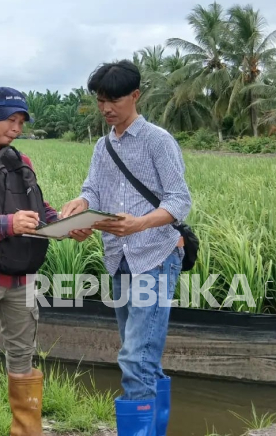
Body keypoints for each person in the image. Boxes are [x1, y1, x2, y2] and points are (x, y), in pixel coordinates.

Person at [0, 86, 90, 436]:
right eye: (11, 120)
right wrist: (7, 224)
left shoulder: (22, 162)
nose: (17, 128)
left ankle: (25, 432)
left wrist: (66, 227)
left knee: (24, 356)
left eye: (22, 121)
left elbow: (39, 211)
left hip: (21, 277)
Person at [60, 60, 192, 436]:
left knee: (136, 356)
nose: (105, 109)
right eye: (100, 101)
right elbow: (93, 190)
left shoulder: (158, 141)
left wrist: (139, 223)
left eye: (113, 100)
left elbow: (179, 200)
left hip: (154, 256)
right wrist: (80, 209)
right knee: (142, 356)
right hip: (118, 259)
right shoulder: (104, 146)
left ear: (135, 96)